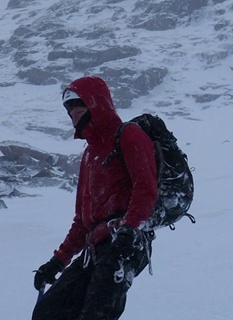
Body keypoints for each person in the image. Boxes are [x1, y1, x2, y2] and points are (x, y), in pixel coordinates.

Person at [32, 76, 158, 320]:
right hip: (97, 246)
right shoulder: (90, 154)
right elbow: (83, 220)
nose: (73, 113)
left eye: (78, 106)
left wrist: (129, 230)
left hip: (126, 241)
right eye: (69, 109)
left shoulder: (129, 136)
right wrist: (58, 262)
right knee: (49, 312)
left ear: (95, 103)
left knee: (95, 314)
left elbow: (146, 189)